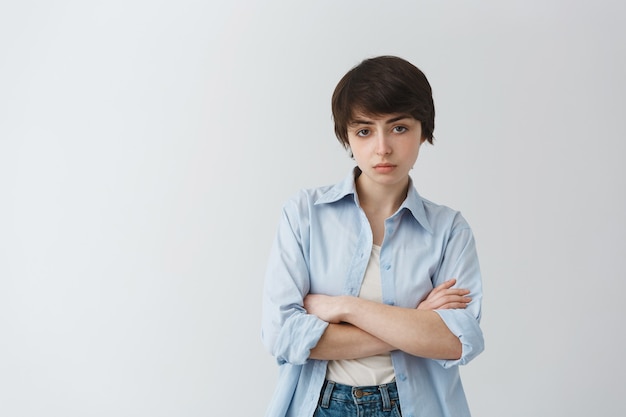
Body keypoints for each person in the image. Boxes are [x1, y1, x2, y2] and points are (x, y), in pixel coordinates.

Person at [261, 55, 484, 417]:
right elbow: (283, 335)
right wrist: (413, 322)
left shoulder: (449, 230)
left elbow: (457, 341)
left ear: (423, 130)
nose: (382, 147)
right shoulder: (304, 214)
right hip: (322, 406)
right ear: (347, 137)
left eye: (399, 128)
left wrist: (346, 308)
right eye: (364, 130)